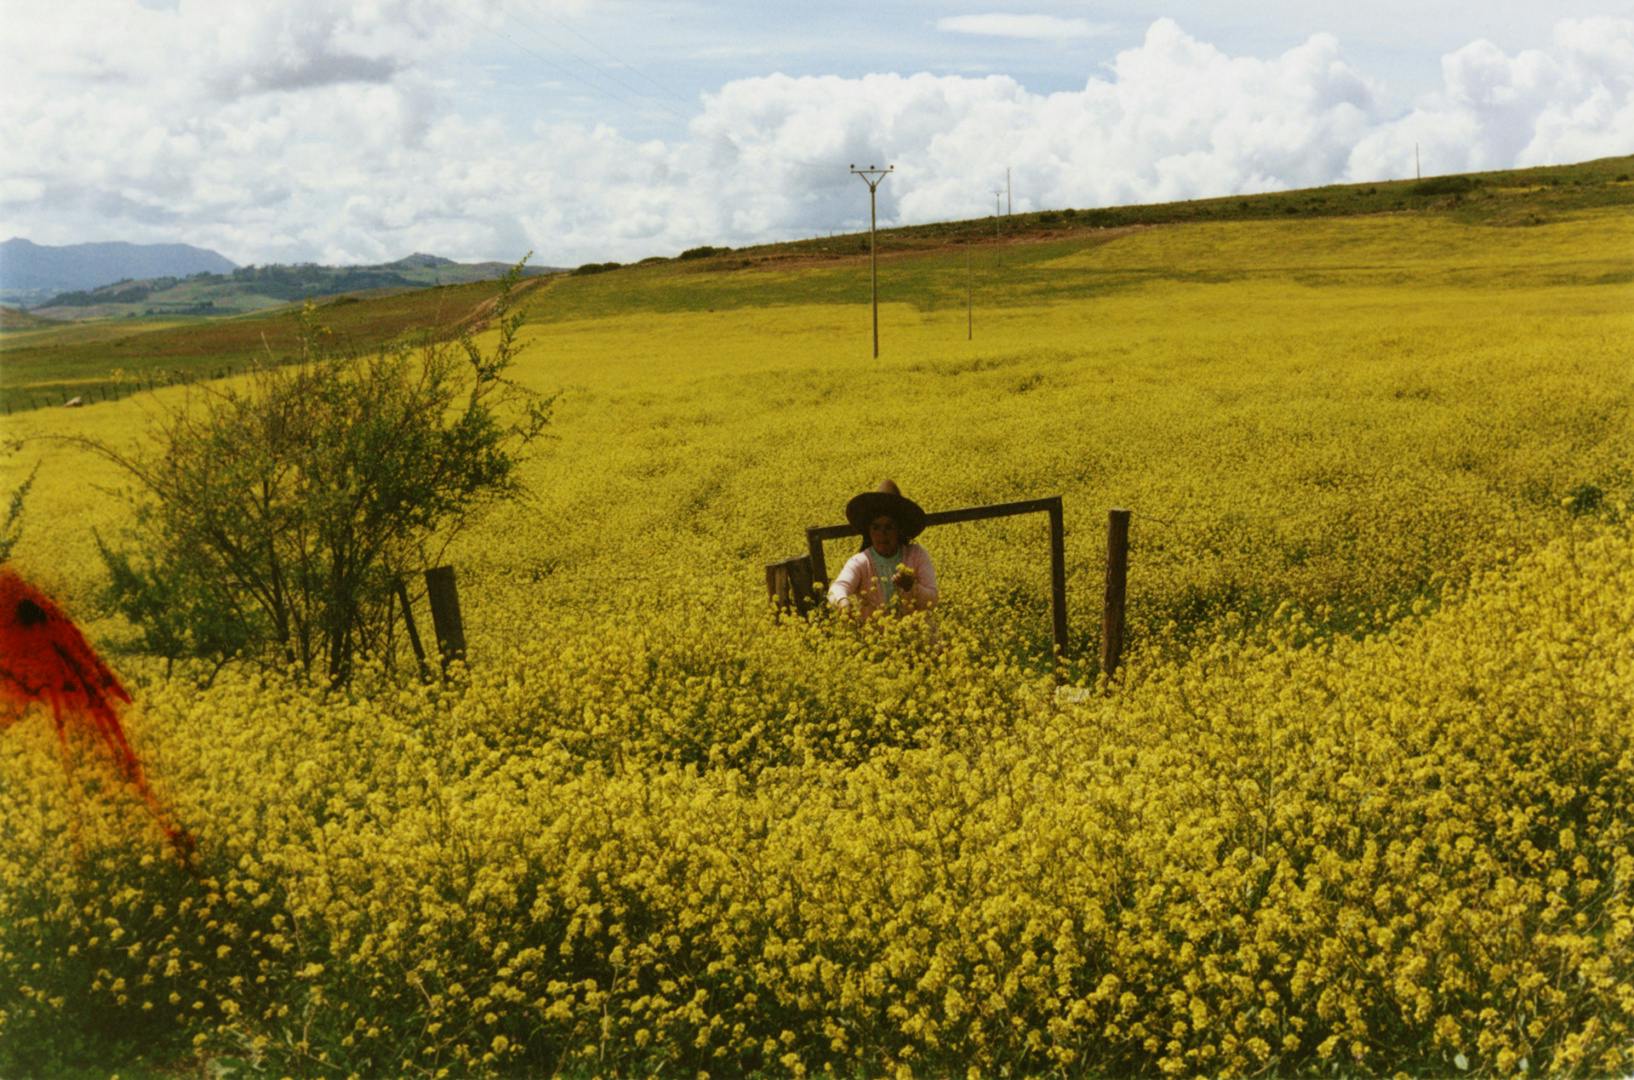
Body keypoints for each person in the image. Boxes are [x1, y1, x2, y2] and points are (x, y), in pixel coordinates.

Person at [827, 479, 939, 618]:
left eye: (889, 527)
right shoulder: (861, 562)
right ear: (869, 531)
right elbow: (837, 588)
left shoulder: (916, 555)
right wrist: (842, 603)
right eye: (876, 527)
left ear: (899, 529)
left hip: (919, 634)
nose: (882, 534)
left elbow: (932, 600)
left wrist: (912, 587)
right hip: (876, 637)